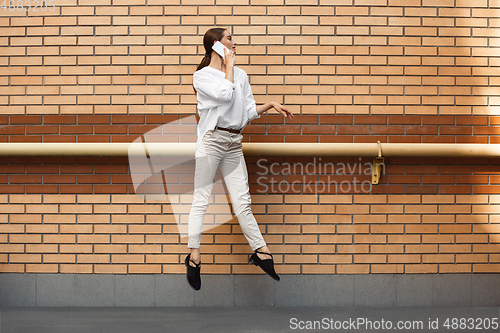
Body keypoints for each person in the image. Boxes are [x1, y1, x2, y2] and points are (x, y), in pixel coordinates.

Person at [185, 27, 294, 290]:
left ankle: (262, 251)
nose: (234, 43)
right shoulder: (202, 77)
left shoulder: (241, 75)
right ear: (216, 45)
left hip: (234, 142)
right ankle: (194, 255)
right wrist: (229, 67)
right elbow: (224, 94)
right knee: (202, 199)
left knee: (243, 201)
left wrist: (269, 105)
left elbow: (246, 110)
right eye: (229, 38)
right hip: (212, 140)